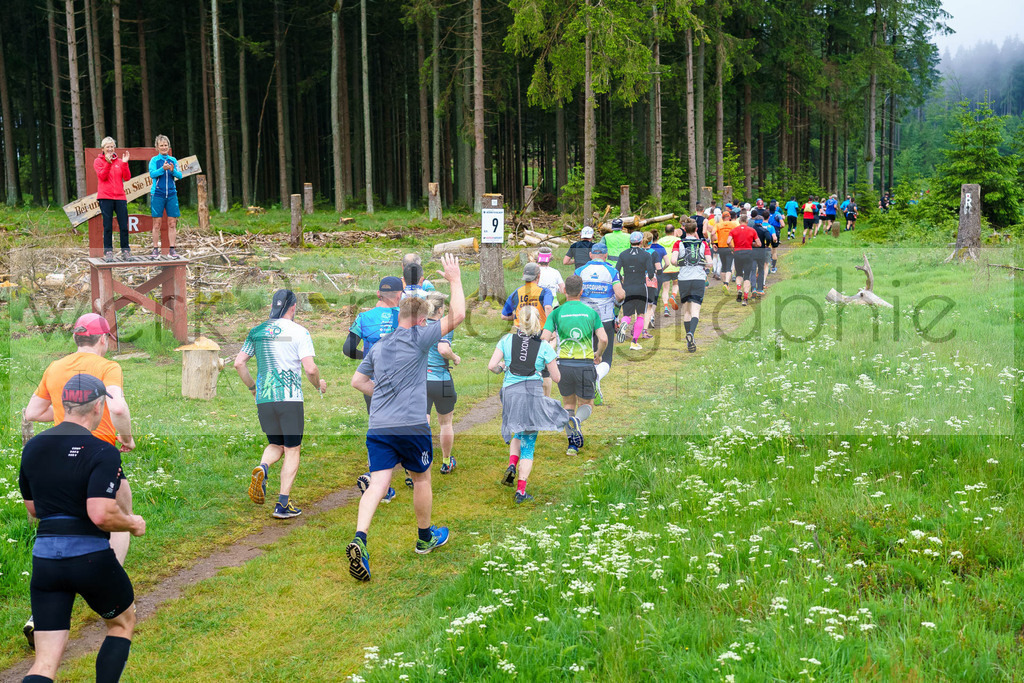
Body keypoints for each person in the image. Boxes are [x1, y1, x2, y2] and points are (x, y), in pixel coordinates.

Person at [19, 374, 146, 683]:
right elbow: (101, 514)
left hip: (46, 560)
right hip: (90, 558)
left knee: (45, 662)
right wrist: (131, 523)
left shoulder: (33, 447)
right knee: (121, 624)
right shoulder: (102, 450)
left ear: (64, 406)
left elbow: (34, 510)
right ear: (98, 406)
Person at [346, 254, 466, 582]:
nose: (428, 324)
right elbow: (459, 315)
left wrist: (384, 393)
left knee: (379, 482)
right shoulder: (419, 337)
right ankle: (425, 537)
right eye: (425, 320)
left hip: (379, 426)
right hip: (411, 426)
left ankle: (361, 537)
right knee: (422, 477)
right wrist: (454, 279)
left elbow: (357, 382)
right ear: (417, 320)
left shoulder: (380, 347)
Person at [22, 313, 137, 650]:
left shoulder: (56, 367)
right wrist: (126, 437)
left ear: (76, 338)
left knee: (65, 532)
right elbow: (116, 408)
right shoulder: (106, 367)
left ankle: (38, 617)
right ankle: (110, 589)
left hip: (58, 462)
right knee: (122, 522)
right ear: (103, 340)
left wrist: (61, 412)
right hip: (97, 458)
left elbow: (31, 412)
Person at [235, 289, 327, 520]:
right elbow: (310, 369)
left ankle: (263, 467)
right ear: (293, 307)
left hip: (264, 398)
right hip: (289, 398)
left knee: (276, 444)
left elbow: (239, 363)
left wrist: (253, 388)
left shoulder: (257, 331)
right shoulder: (300, 332)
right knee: (292, 449)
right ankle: (282, 504)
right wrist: (318, 385)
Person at [488, 306, 584, 503]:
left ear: (518, 320)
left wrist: (504, 368)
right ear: (538, 322)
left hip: (510, 394)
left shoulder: (506, 340)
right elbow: (556, 378)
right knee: (529, 443)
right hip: (531, 394)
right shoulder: (544, 347)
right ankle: (521, 491)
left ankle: (512, 464)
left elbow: (492, 366)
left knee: (517, 429)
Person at [541, 275, 607, 455]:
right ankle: (578, 420)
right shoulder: (591, 312)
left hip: (563, 365)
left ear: (564, 291)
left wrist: (550, 359)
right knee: (587, 404)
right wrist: (598, 354)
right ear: (581, 291)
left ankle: (572, 446)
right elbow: (603, 338)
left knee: (568, 405)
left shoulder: (556, 312)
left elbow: (544, 340)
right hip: (585, 364)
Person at [424, 292, 459, 474]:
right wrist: (455, 357)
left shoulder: (418, 325)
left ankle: (420, 462)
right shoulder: (444, 326)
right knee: (445, 423)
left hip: (421, 381)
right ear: (440, 309)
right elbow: (443, 348)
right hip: (441, 380)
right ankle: (446, 462)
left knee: (423, 423)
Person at [575, 242, 624, 368]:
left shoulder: (579, 271)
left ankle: (588, 379)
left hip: (584, 317)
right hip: (605, 318)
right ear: (606, 255)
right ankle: (597, 377)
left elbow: (572, 294)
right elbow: (620, 295)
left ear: (590, 255)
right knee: (605, 358)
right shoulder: (612, 271)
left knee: (584, 353)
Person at [670, 218, 712, 352]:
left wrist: (683, 263)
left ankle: (689, 341)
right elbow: (710, 263)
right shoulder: (703, 244)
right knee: (696, 310)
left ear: (684, 230)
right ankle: (691, 334)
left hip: (684, 279)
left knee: (686, 311)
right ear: (696, 230)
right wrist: (701, 263)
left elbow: (673, 261)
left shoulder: (678, 243)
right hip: (698, 279)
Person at [615, 231, 656, 351]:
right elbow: (651, 273)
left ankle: (624, 324)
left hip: (627, 286)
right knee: (641, 315)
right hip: (641, 287)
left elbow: (617, 270)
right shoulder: (646, 255)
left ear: (630, 242)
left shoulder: (623, 254)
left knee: (627, 314)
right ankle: (634, 342)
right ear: (641, 241)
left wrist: (622, 278)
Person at [94, 137, 133, 262]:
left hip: (120, 197)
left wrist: (125, 163)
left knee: (123, 225)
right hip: (105, 197)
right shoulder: (98, 161)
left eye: (112, 147)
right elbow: (102, 176)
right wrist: (107, 162)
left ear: (114, 148)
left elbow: (127, 178)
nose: (110, 149)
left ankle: (125, 251)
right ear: (103, 149)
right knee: (107, 226)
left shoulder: (120, 162)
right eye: (107, 147)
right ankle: (108, 251)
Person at [147, 135, 183, 259]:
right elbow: (152, 174)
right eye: (161, 145)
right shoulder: (154, 160)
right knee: (157, 223)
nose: (163, 147)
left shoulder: (173, 159)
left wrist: (172, 170)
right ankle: (155, 249)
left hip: (172, 194)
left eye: (165, 145)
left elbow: (180, 175)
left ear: (169, 146)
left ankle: (172, 250)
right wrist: (163, 169)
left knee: (172, 223)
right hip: (157, 194)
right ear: (157, 147)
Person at [728, 216, 761, 305]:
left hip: (737, 253)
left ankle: (739, 290)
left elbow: (728, 241)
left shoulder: (733, 230)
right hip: (748, 253)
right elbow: (759, 243)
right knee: (747, 276)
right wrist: (751, 243)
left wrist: (732, 249)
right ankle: (745, 298)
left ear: (739, 221)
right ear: (747, 221)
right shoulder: (752, 230)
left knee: (738, 273)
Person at [643, 230, 665, 335]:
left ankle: (638, 324)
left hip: (639, 279)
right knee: (650, 304)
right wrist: (657, 272)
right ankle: (648, 323)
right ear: (651, 241)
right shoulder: (654, 253)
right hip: (651, 280)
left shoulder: (639, 252)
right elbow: (659, 269)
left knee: (640, 303)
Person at [657, 225, 682, 316]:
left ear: (665, 231)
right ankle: (673, 296)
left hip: (664, 267)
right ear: (673, 231)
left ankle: (666, 308)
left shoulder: (660, 241)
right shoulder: (677, 240)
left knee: (665, 289)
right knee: (676, 284)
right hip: (676, 266)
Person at [714, 210, 738, 290]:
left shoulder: (718, 225)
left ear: (722, 217)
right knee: (729, 266)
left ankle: (724, 283)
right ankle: (727, 284)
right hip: (730, 247)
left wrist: (713, 242)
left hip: (721, 247)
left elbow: (713, 233)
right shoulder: (733, 224)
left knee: (723, 266)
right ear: (729, 217)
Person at [751, 216, 775, 297]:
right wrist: (766, 245)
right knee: (761, 270)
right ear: (761, 222)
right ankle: (760, 289)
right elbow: (769, 238)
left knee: (753, 270)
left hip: (752, 251)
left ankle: (753, 288)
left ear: (754, 222)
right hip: (761, 251)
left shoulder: (751, 229)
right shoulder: (764, 230)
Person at [767, 208, 784, 273]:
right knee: (774, 250)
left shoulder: (766, 214)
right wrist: (779, 228)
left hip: (767, 231)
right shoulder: (778, 214)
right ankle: (773, 268)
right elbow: (783, 224)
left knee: (767, 248)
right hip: (775, 231)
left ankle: (767, 267)